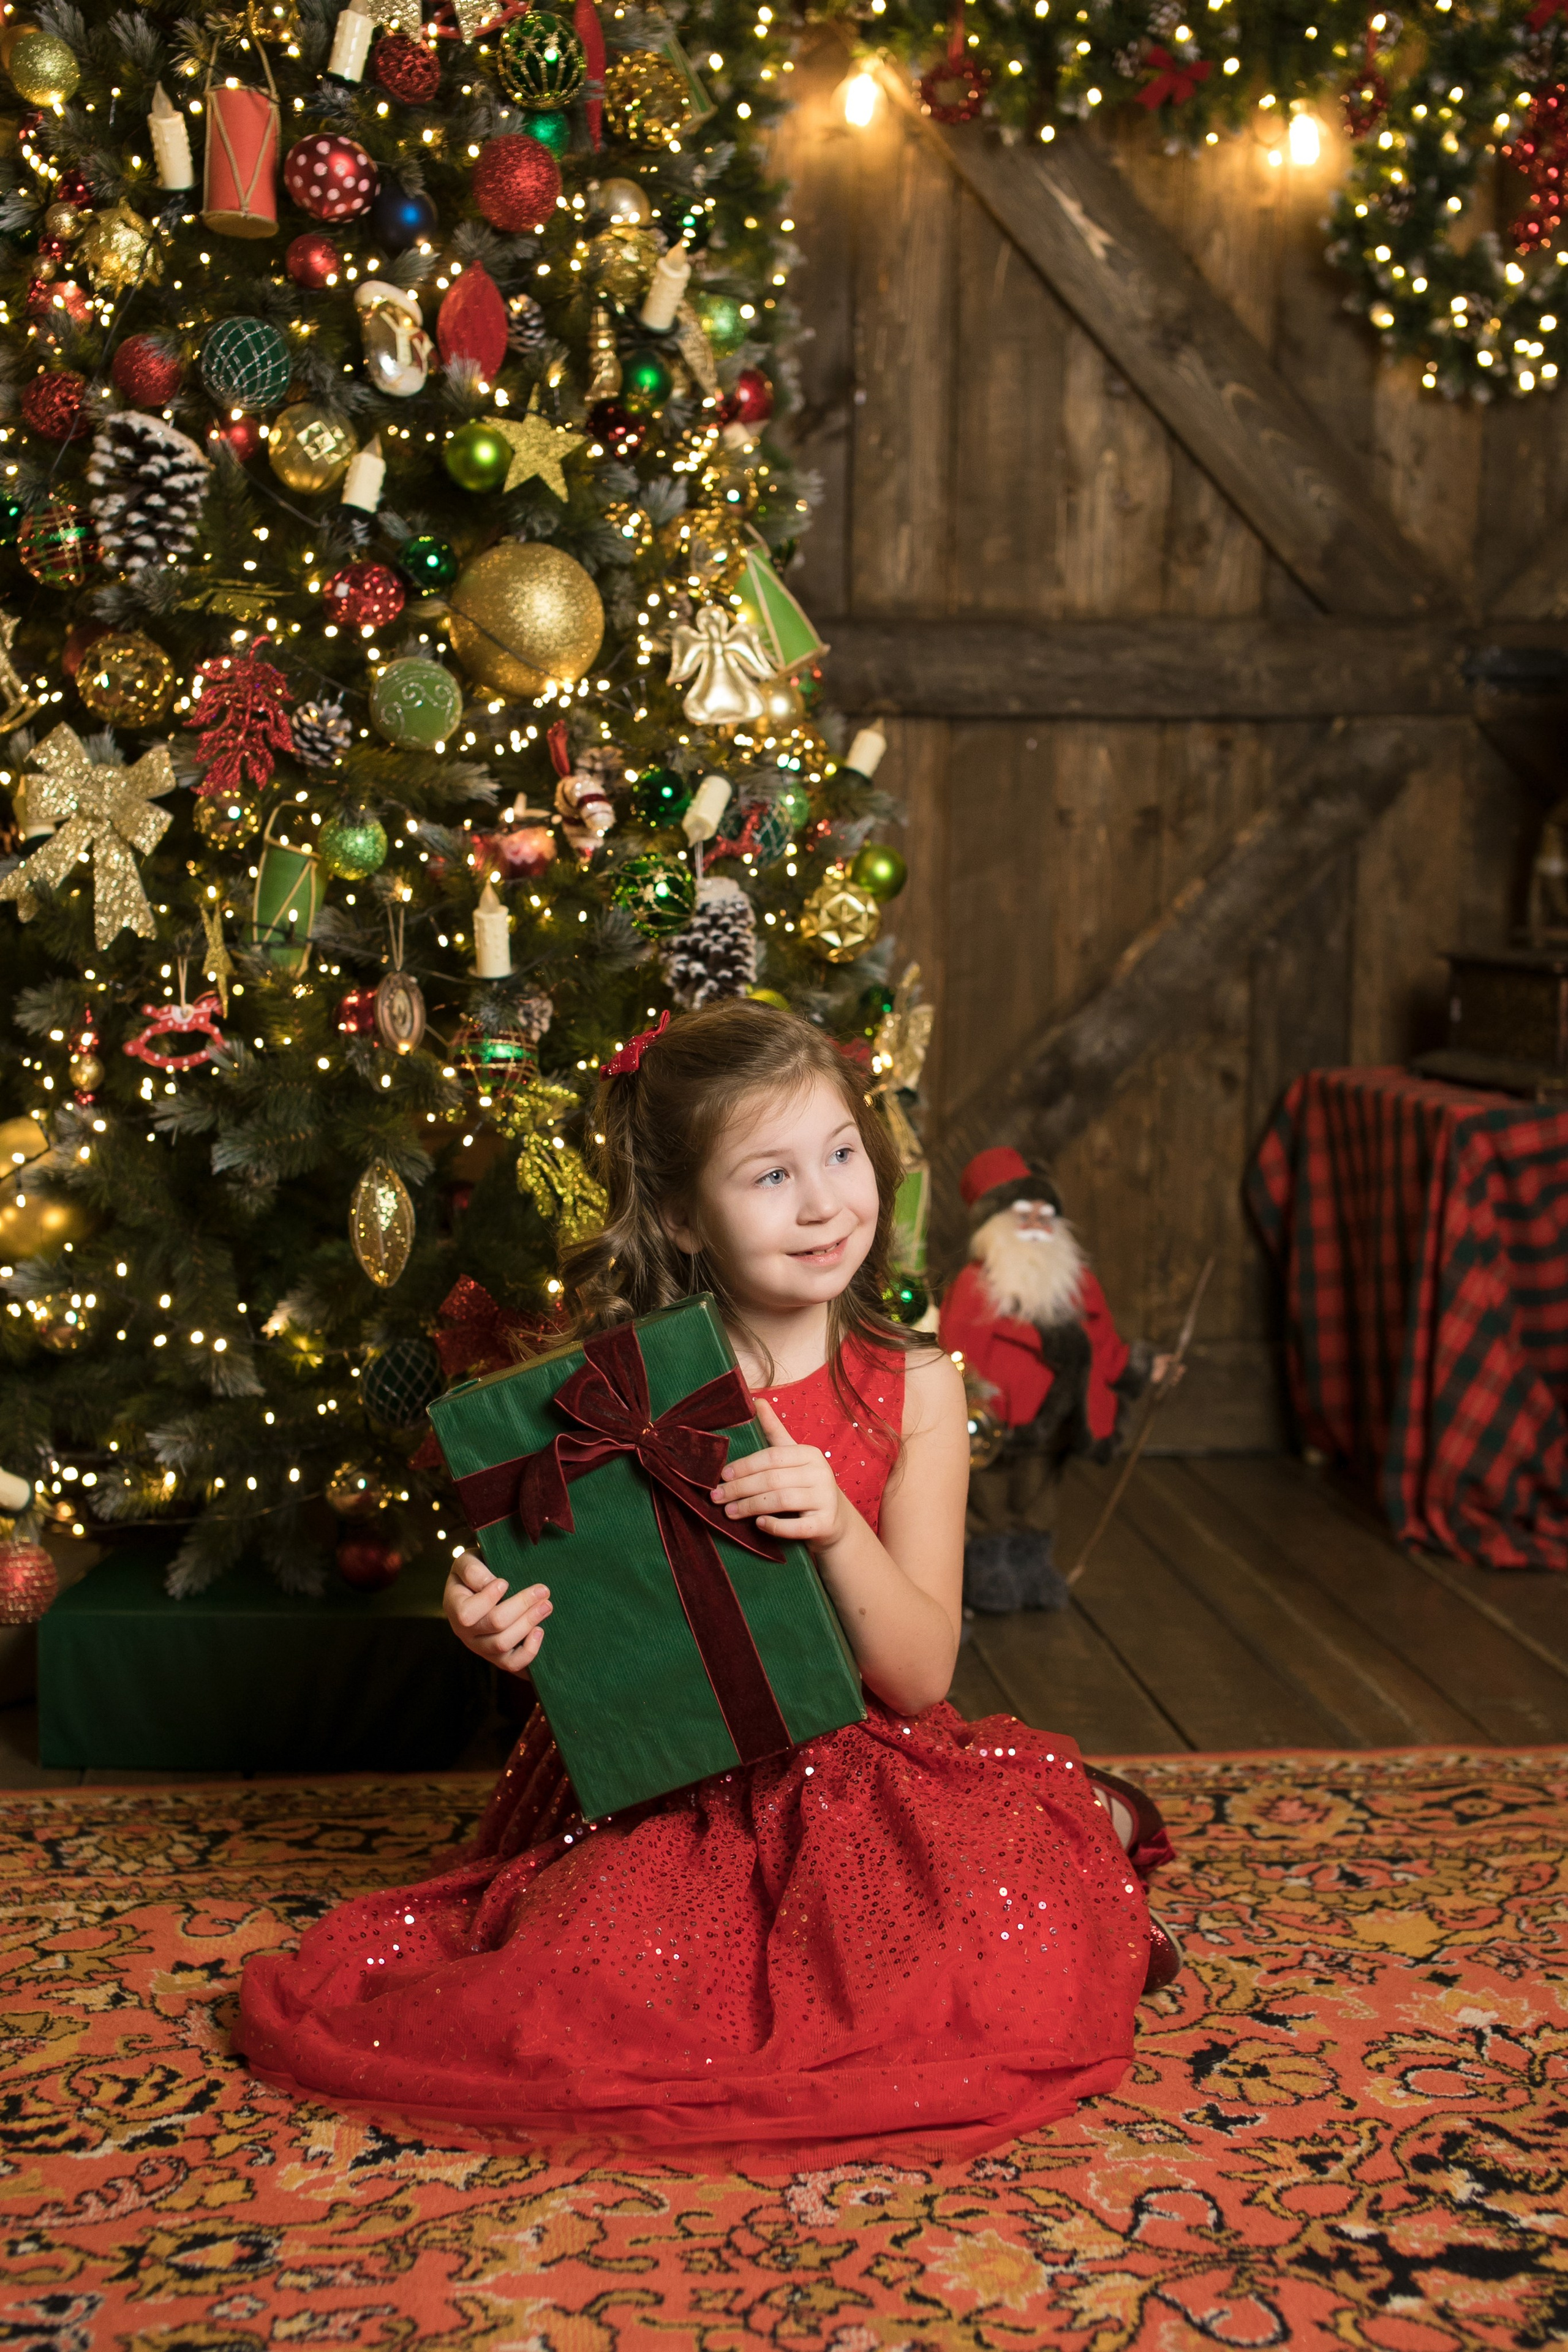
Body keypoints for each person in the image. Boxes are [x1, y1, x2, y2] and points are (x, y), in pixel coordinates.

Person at [238, 1003, 1177, 2163]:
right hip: (661, 1781)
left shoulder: (915, 1383)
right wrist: (490, 1619)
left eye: (841, 1156)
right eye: (770, 1175)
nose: (825, 1202)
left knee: (973, 1952)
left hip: (855, 1752)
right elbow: (572, 1621)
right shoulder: (606, 1393)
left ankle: (1087, 1814)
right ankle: (1083, 1812)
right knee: (601, 2006)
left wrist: (836, 1527)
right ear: (683, 1215)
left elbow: (922, 1669)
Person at [940, 1147, 1179, 1613]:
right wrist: (967, 1403)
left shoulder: (1079, 1284)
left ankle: (1032, 1566)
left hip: (1057, 1421)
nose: (1038, 1224)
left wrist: (1145, 1367)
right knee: (988, 1501)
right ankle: (986, 1569)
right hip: (994, 1422)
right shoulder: (974, 1286)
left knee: (1038, 1497)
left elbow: (1103, 1344)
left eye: (1046, 1214)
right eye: (1023, 1214)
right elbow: (955, 1347)